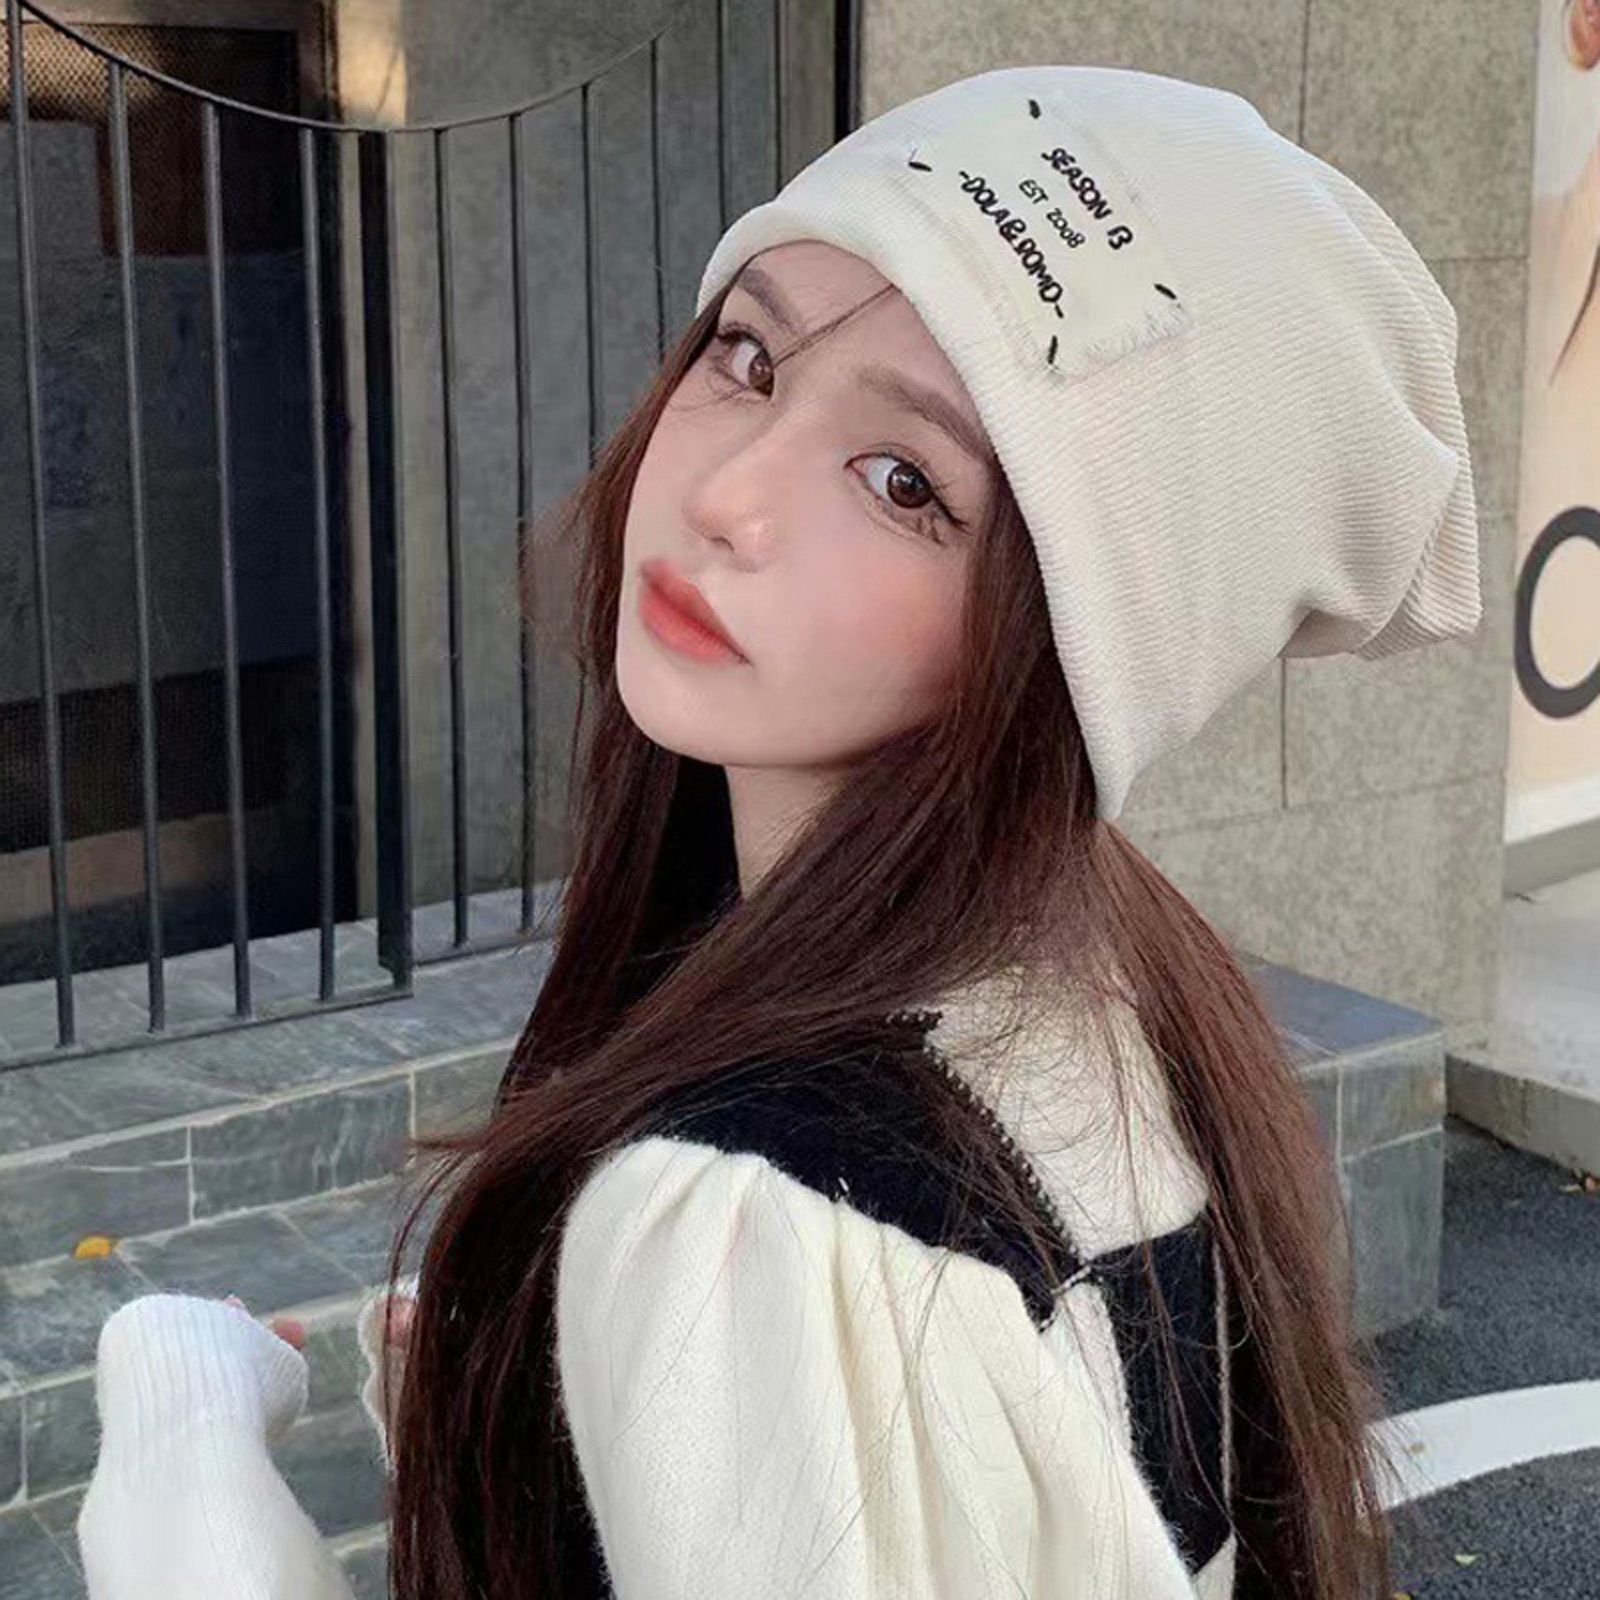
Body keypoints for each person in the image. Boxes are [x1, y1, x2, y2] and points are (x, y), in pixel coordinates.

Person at [75, 64, 1481, 1600]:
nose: (728, 493)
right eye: (750, 355)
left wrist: (184, 1458)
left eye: (902, 482)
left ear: (1078, 648)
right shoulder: (1096, 993)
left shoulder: (778, 1219)